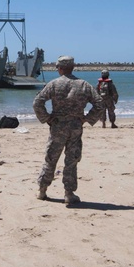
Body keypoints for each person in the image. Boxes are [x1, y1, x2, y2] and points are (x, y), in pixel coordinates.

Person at [33, 56, 102, 206]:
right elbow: (99, 103)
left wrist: (47, 119)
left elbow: (37, 102)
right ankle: (69, 194)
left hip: (58, 126)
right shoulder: (83, 85)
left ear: (61, 68)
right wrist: (87, 118)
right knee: (71, 161)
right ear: (73, 67)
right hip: (75, 127)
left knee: (51, 158)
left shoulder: (54, 84)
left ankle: (42, 190)